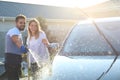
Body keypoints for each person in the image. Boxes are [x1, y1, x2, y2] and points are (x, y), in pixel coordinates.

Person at [5, 14, 28, 80]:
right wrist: (24, 49)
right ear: (16, 23)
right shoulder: (14, 31)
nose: (23, 24)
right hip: (12, 61)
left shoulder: (18, 32)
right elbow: (17, 42)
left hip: (15, 61)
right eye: (20, 22)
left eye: (24, 23)